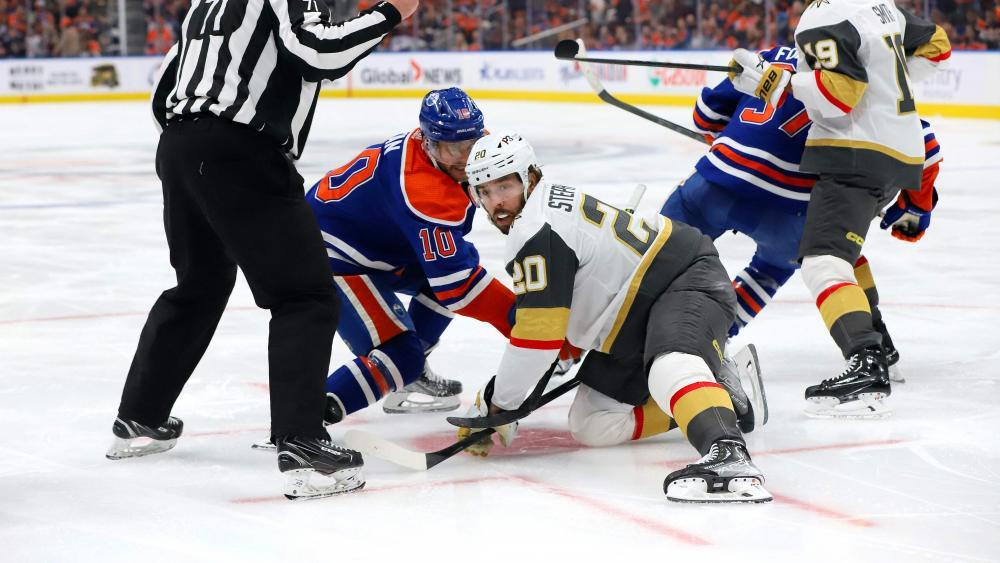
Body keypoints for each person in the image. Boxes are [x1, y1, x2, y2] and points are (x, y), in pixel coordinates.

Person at [105, 0, 419, 501]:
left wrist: (195, 146)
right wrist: (388, 14)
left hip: (182, 146)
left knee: (198, 287)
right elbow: (316, 54)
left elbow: (167, 80)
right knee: (306, 296)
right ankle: (302, 443)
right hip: (240, 150)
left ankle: (140, 414)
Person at [456, 131, 771, 503]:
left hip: (681, 277)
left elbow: (537, 342)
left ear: (531, 177)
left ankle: (727, 453)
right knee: (592, 425)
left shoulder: (536, 232)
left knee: (669, 366)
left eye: (504, 186)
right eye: (485, 191)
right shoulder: (540, 213)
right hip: (629, 317)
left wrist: (498, 405)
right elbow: (556, 323)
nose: (497, 202)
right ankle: (720, 397)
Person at [664, 44, 943, 396]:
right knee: (781, 268)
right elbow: (927, 149)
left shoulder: (773, 55)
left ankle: (591, 335)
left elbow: (705, 116)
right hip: (795, 210)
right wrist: (917, 210)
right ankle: (711, 340)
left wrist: (728, 134)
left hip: (717, 184)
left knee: (653, 253)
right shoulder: (874, 85)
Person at [726, 0, 949, 417]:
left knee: (823, 262)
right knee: (845, 254)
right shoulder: (882, 8)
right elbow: (938, 45)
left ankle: (865, 361)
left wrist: (781, 85)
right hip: (897, 153)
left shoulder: (822, 16)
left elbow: (842, 96)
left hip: (852, 153)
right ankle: (879, 344)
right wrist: (885, 77)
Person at [307, 87, 515, 422]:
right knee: (401, 354)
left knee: (454, 265)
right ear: (429, 143)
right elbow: (458, 285)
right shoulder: (422, 187)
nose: (464, 159)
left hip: (378, 245)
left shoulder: (468, 149)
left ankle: (411, 375)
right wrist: (522, 323)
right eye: (452, 150)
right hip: (332, 254)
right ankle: (302, 422)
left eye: (470, 145)